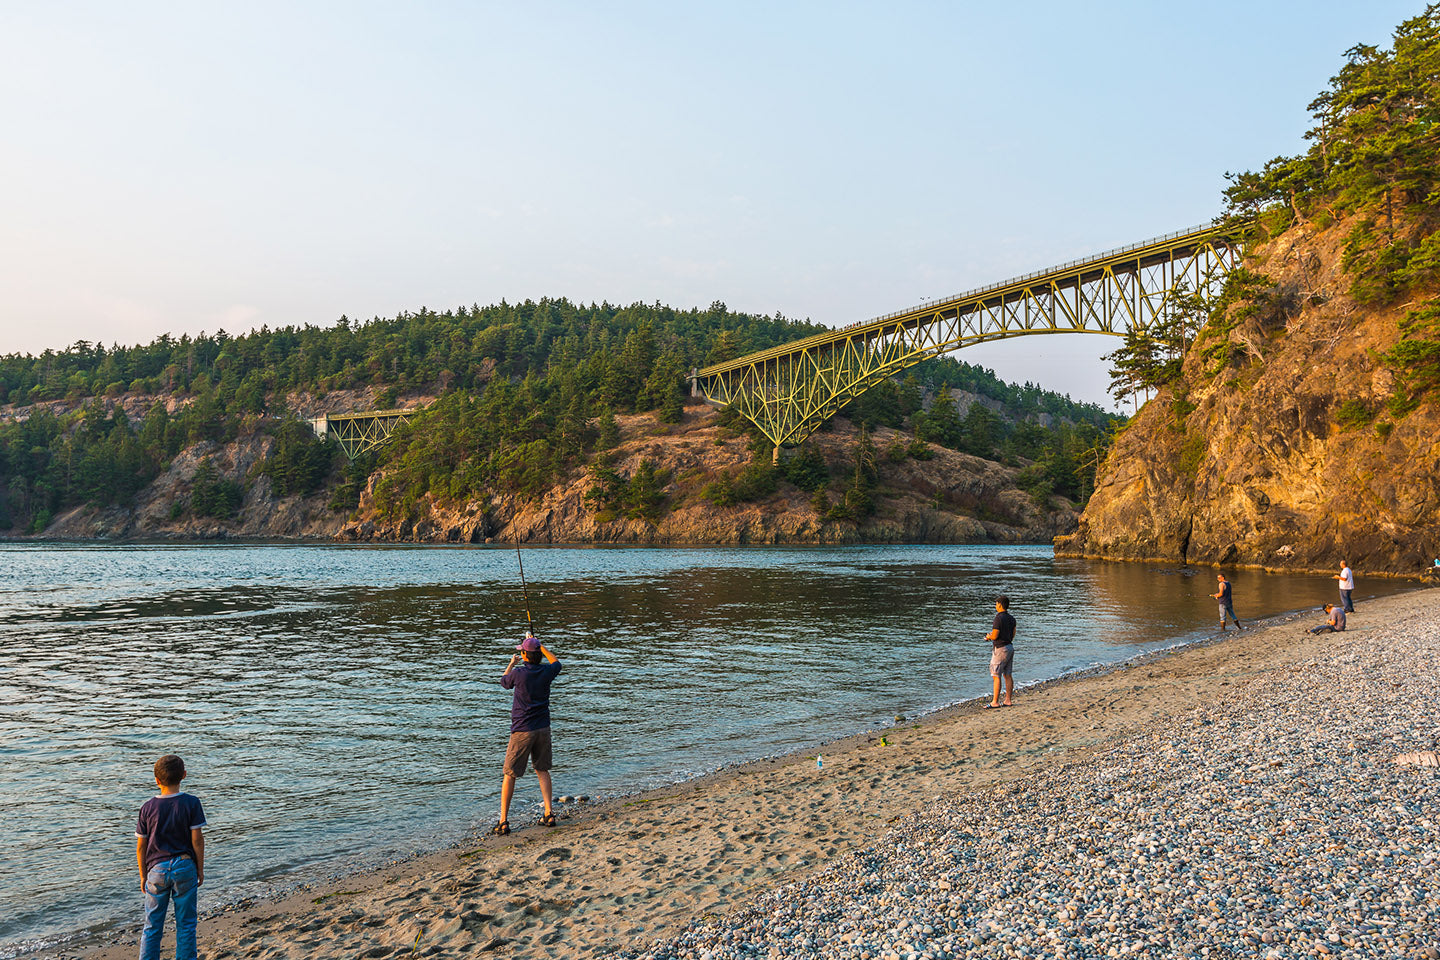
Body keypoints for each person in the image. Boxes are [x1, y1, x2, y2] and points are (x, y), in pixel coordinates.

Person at [135, 754, 206, 960]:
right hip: (185, 866)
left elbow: (141, 846)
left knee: (152, 925)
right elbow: (197, 840)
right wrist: (200, 868)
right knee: (186, 924)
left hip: (156, 870)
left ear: (156, 780)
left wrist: (143, 875)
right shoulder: (191, 803)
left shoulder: (148, 807)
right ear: (184, 775)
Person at [492, 632, 563, 836]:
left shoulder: (519, 673)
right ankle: (549, 813)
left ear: (524, 655)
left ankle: (504, 820)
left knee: (510, 773)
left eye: (521, 652)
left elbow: (504, 682)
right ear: (538, 654)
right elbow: (556, 662)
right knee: (542, 770)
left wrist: (511, 663)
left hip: (522, 730)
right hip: (543, 728)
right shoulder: (547, 672)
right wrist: (539, 645)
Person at [984, 595, 1016, 708]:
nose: (995, 606)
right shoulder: (1012, 618)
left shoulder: (998, 618)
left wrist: (989, 636)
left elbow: (995, 635)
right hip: (1009, 647)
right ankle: (1008, 700)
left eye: (996, 604)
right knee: (1008, 674)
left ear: (1000, 605)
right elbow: (1013, 635)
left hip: (1000, 649)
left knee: (996, 675)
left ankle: (995, 702)